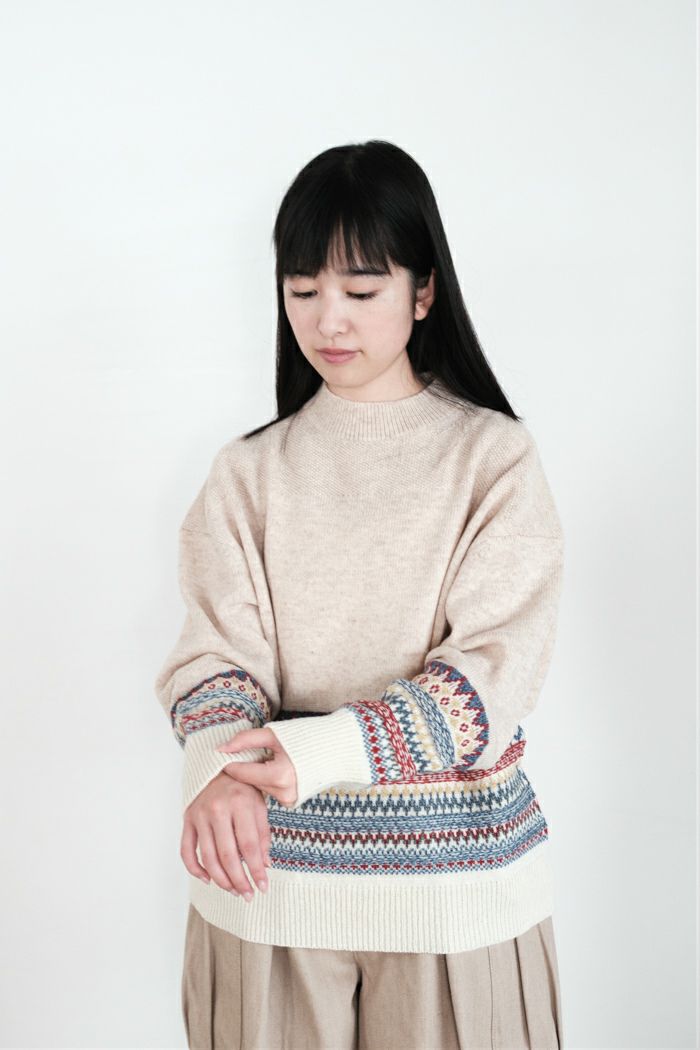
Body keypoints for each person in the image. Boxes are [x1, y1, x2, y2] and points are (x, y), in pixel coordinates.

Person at [154, 139, 566, 1050]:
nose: (328, 320)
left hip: (451, 892)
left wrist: (313, 754)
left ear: (423, 293)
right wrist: (218, 766)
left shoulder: (493, 460)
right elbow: (213, 654)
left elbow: (487, 681)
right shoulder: (249, 471)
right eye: (303, 290)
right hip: (269, 890)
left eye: (363, 289)